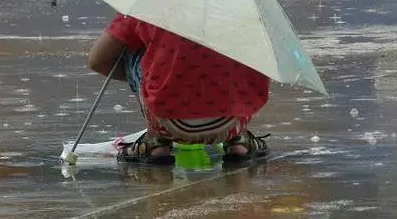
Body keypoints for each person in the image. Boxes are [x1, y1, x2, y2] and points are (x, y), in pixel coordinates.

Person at [89, 13, 271, 165]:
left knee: (133, 52)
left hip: (167, 123)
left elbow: (97, 60)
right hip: (231, 123)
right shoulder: (241, 10)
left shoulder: (148, 6)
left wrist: (150, 72)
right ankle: (238, 141)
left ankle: (156, 143)